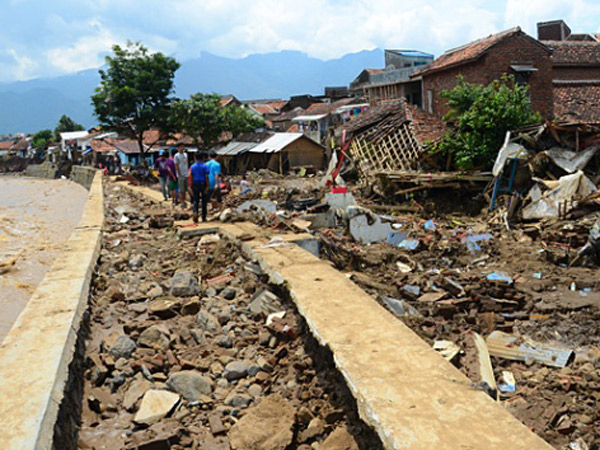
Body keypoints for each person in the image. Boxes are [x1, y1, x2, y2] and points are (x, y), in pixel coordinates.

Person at [190, 152, 209, 223]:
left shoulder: (193, 166)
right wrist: (207, 186)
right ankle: (204, 217)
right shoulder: (205, 166)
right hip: (203, 183)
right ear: (203, 158)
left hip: (195, 184)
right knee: (204, 201)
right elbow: (206, 177)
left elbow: (191, 176)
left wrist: (191, 185)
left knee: (196, 200)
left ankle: (195, 212)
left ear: (195, 158)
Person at [174, 144, 189, 208]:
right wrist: (179, 174)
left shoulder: (185, 155)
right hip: (181, 175)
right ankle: (182, 202)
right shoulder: (176, 156)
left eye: (183, 147)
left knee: (185, 189)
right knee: (181, 190)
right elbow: (176, 165)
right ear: (178, 148)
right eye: (180, 147)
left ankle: (184, 201)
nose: (182, 148)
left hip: (186, 174)